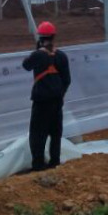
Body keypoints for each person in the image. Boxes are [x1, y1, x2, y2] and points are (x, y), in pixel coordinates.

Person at [21, 21, 71, 171]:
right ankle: (54, 161)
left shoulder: (37, 55)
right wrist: (60, 94)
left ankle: (38, 165)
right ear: (53, 36)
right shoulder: (62, 56)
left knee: (37, 134)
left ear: (40, 37)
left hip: (41, 101)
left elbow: (26, 65)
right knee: (55, 132)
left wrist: (37, 50)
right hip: (57, 100)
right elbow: (67, 80)